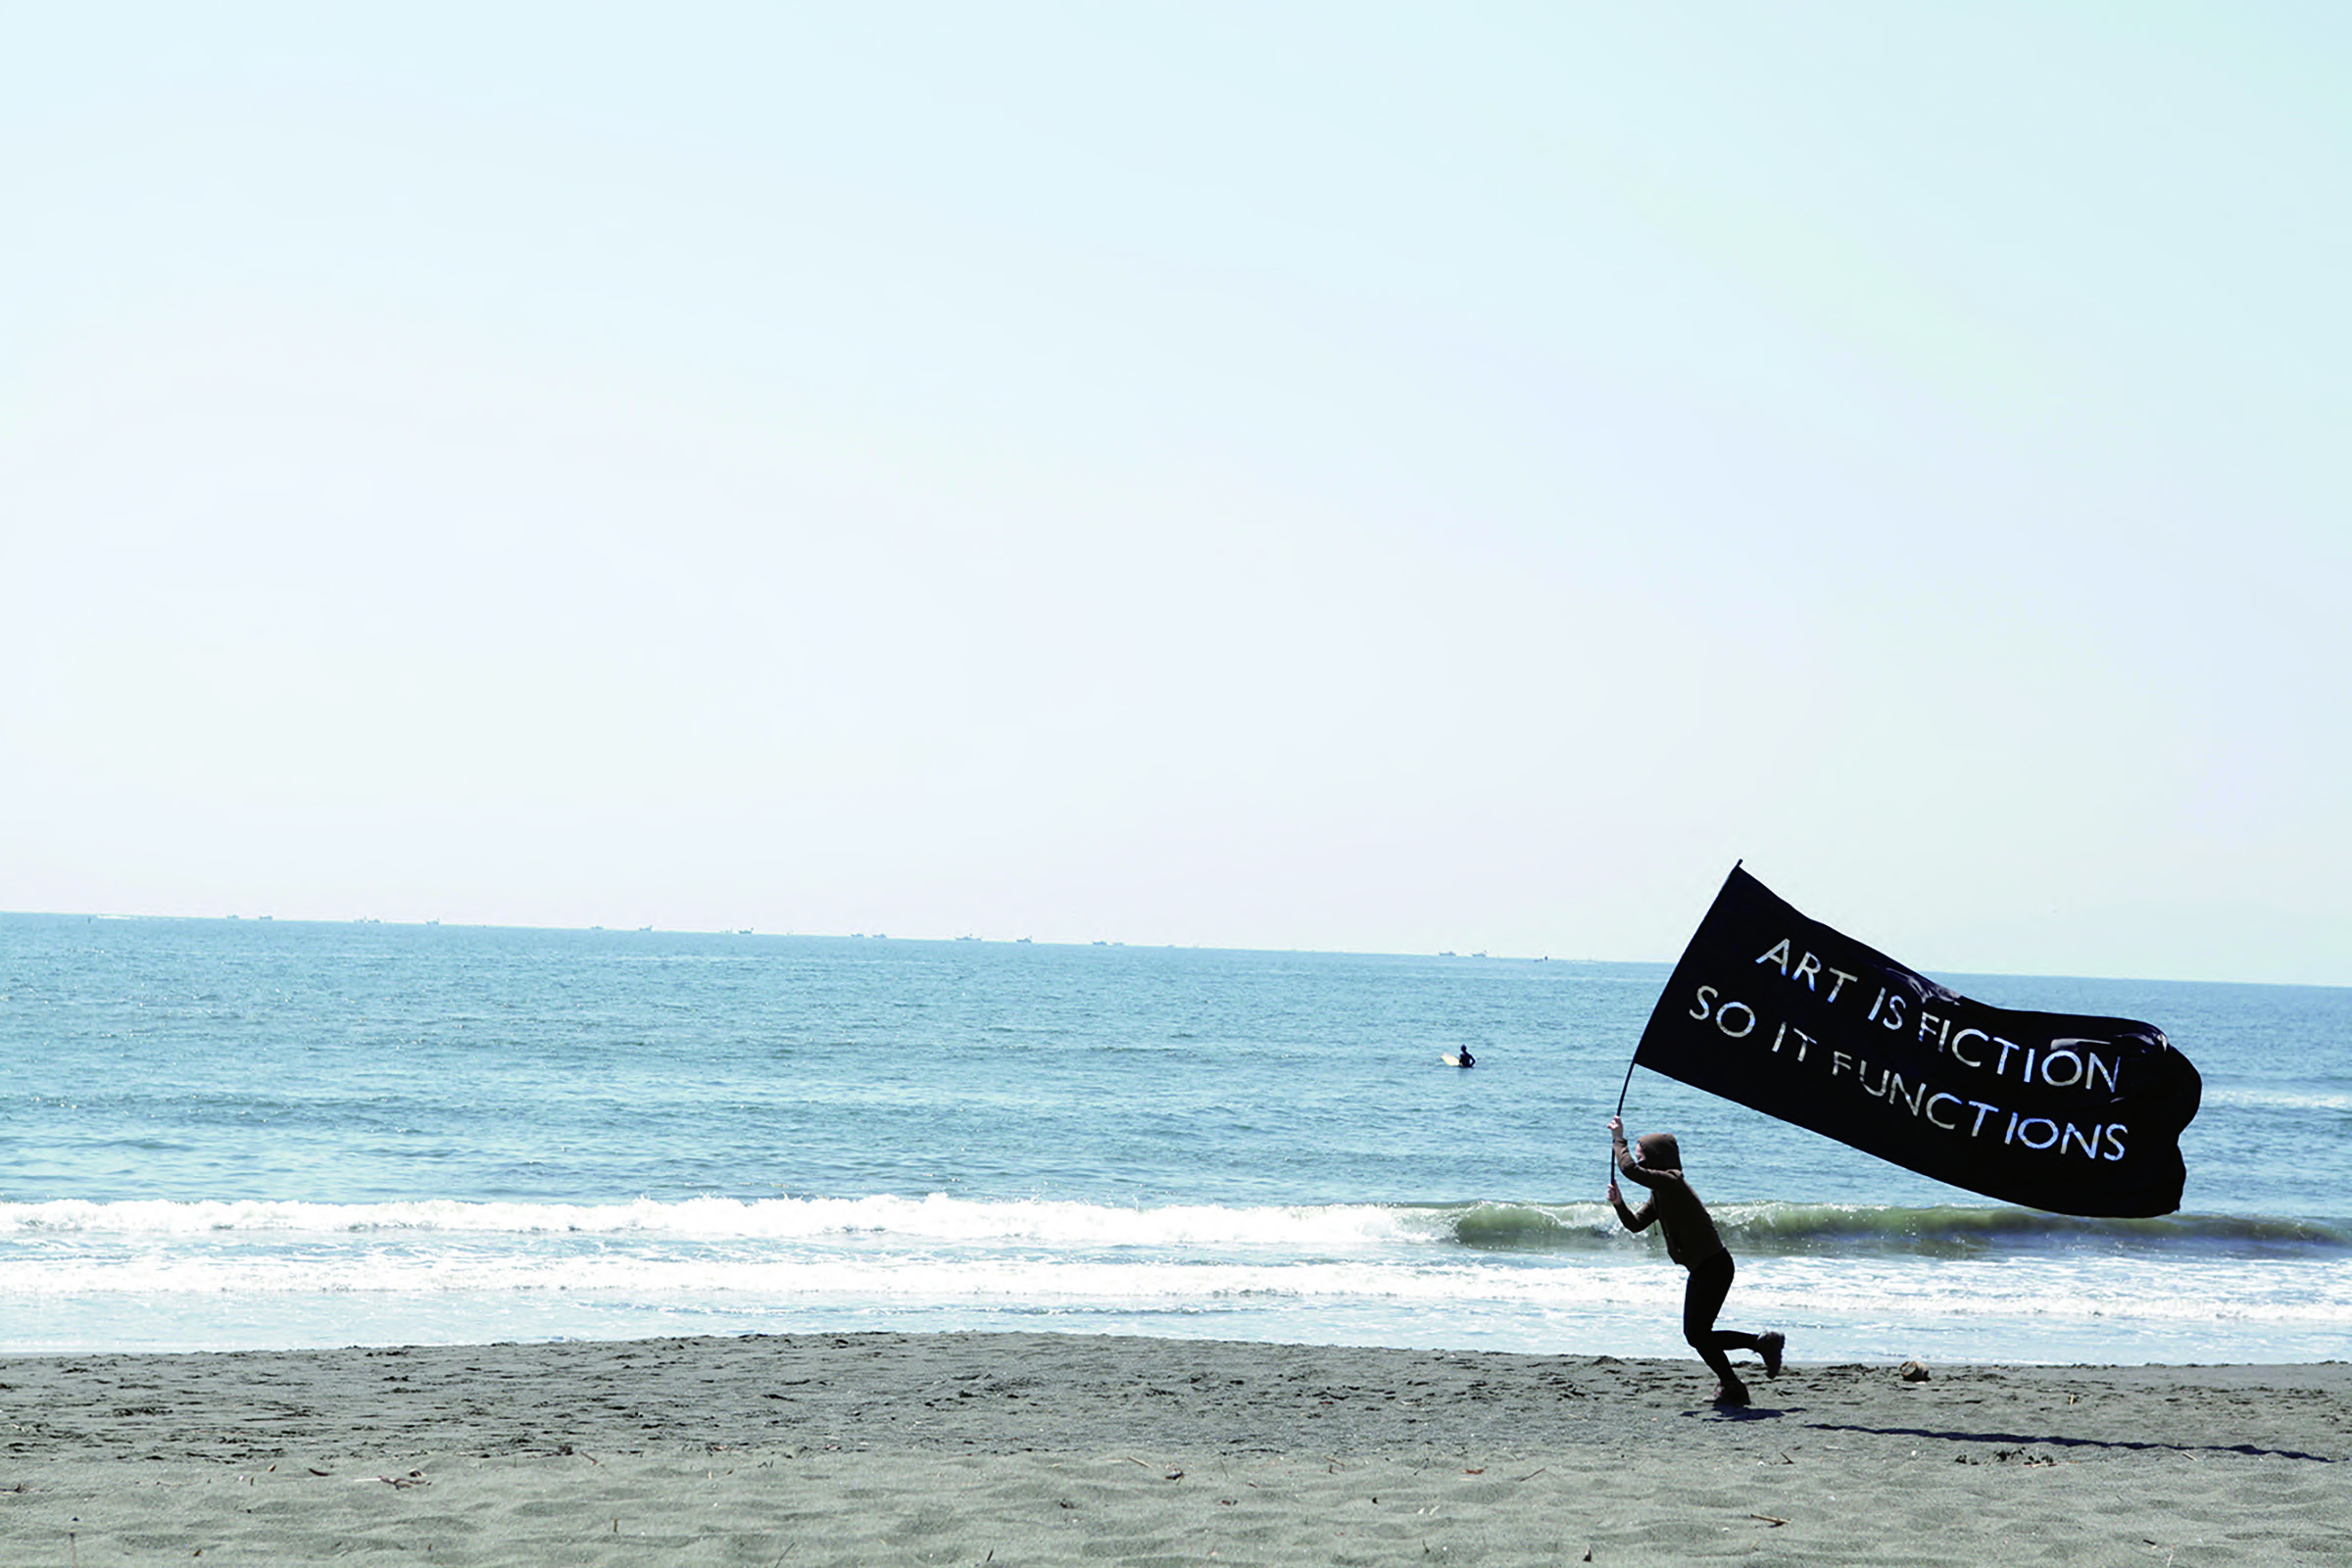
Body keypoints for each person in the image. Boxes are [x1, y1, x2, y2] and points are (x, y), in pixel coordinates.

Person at [1607, 1115, 1784, 1405]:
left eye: (1642, 1156)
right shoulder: (1661, 1193)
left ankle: (1742, 1371)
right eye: (1637, 1156)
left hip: (1714, 1266)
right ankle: (1756, 1351)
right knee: (1697, 1334)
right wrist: (1619, 1204)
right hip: (1705, 1268)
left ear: (1655, 1158)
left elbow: (1628, 1170)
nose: (1638, 1160)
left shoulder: (1672, 1182)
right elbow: (1636, 1224)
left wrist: (1619, 1139)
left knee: (1697, 1334)